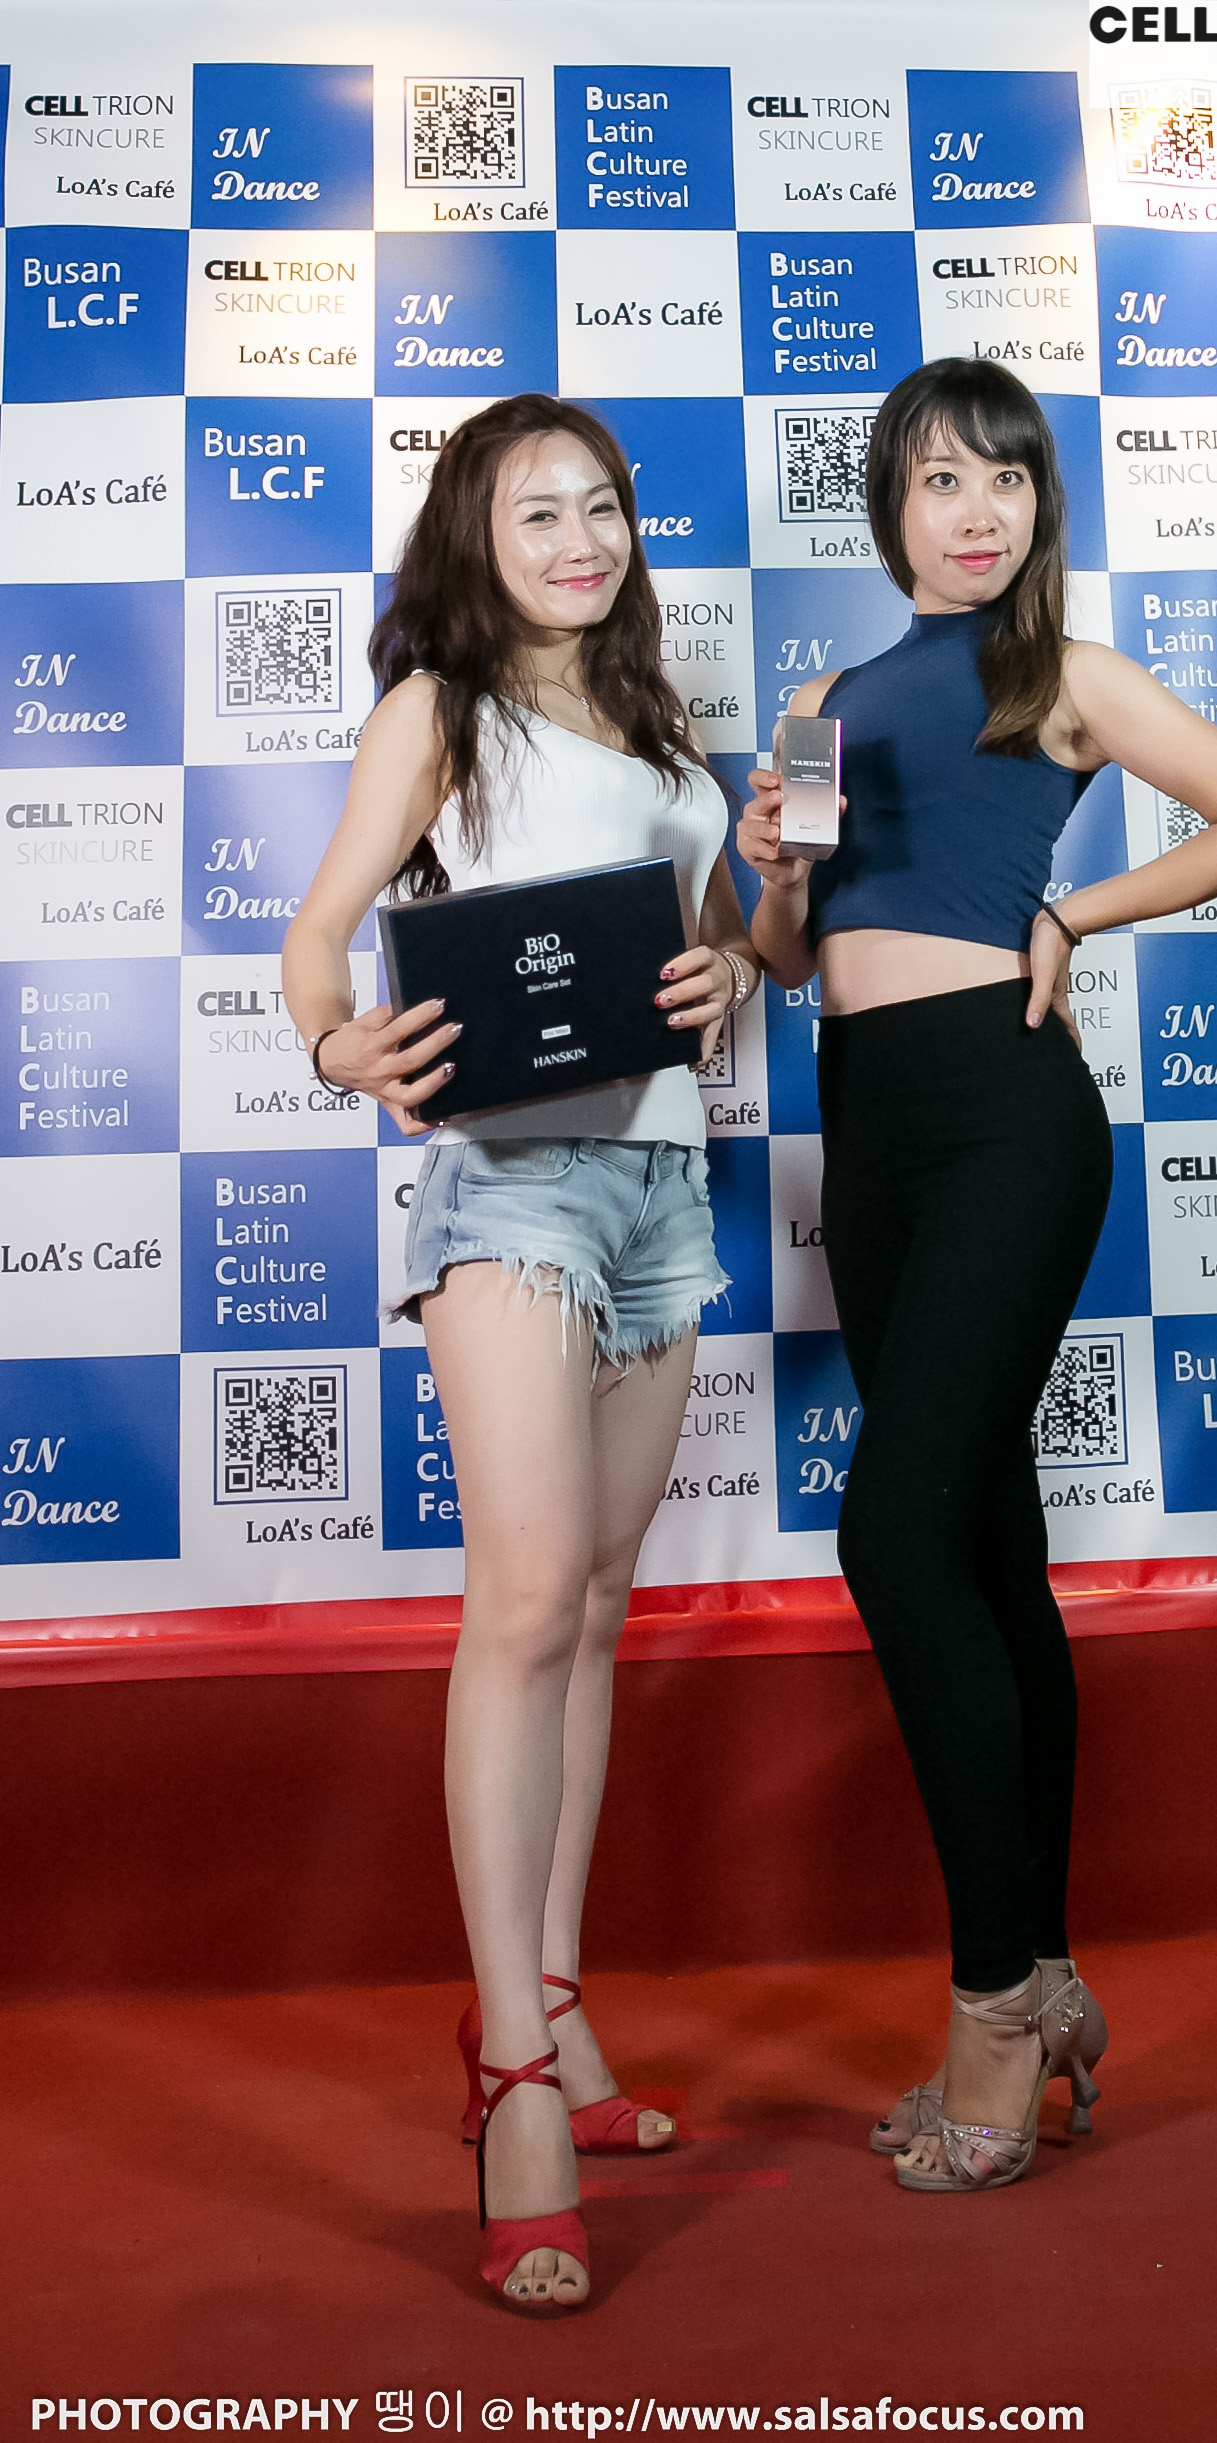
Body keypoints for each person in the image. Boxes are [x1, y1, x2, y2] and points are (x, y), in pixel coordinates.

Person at [737, 357, 1217, 2195]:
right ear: (887, 508)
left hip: (1005, 1110)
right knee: (983, 1547)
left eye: (1003, 478)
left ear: (1037, 507)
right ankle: (1047, 1974)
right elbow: (784, 951)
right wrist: (765, 868)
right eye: (937, 479)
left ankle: (991, 2005)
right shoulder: (822, 704)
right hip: (867, 1122)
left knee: (893, 1538)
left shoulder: (1060, 675)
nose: (974, 510)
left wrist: (1074, 908)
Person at [283, 395, 759, 2308]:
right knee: (530, 1597)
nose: (579, 539)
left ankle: (554, 2005)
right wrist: (337, 1044)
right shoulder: (440, 710)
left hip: (664, 1186)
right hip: (512, 1185)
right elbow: (320, 935)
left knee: (599, 1608)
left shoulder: (662, 729)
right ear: (474, 542)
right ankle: (508, 2079)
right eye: (535, 512)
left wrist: (735, 963)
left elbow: (718, 950)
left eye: (602, 507)